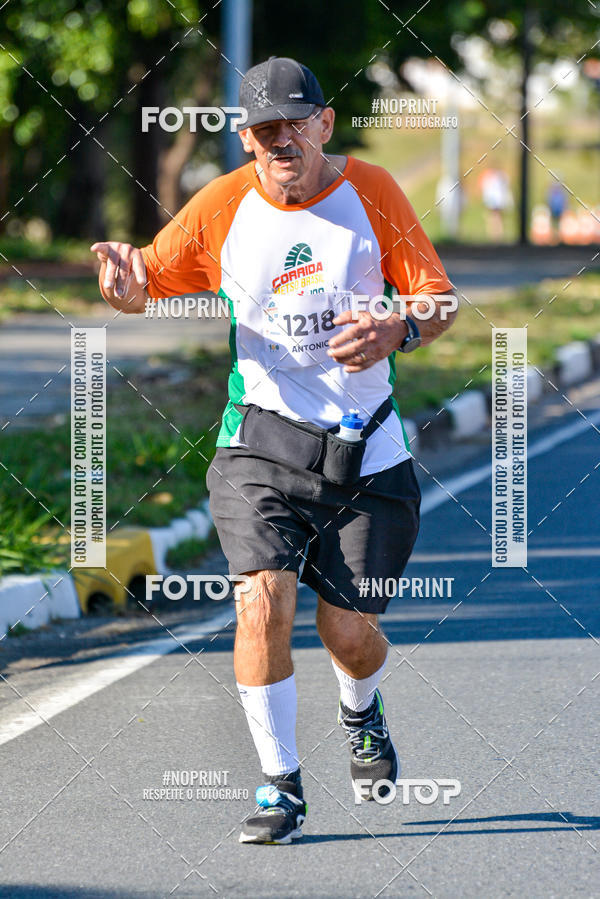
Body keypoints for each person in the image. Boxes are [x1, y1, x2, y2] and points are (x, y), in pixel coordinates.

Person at [91, 56, 457, 845]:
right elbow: (149, 278)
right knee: (262, 598)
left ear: (325, 124)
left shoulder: (373, 193)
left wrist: (401, 326)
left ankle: (361, 707)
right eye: (263, 128)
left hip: (367, 451)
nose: (280, 139)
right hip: (258, 442)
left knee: (347, 631)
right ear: (245, 138)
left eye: (295, 122)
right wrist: (125, 287)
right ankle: (280, 784)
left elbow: (439, 297)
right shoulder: (223, 204)